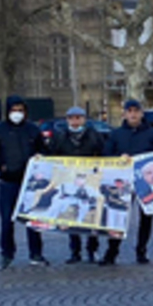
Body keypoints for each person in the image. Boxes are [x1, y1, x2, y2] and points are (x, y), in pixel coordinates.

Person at [0, 95, 47, 269]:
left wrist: (41, 159)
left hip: (30, 183)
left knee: (33, 220)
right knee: (6, 221)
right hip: (8, 181)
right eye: (14, 110)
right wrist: (0, 165)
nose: (17, 113)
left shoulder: (33, 130)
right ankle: (7, 253)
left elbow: (44, 150)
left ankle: (36, 253)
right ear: (7, 111)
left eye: (20, 110)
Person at [101, 99, 153, 265]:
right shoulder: (116, 134)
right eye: (130, 111)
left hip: (145, 182)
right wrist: (118, 159)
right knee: (118, 216)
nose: (133, 114)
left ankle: (142, 250)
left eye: (136, 111)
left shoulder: (152, 134)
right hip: (123, 182)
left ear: (142, 114)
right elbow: (106, 155)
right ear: (125, 114)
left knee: (147, 216)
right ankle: (112, 251)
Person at [46, 106, 106, 264]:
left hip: (90, 179)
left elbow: (104, 155)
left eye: (78, 118)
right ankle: (75, 251)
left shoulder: (94, 135)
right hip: (69, 179)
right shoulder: (60, 136)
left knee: (90, 214)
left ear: (84, 119)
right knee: (70, 213)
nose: (75, 121)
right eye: (72, 118)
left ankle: (92, 249)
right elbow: (51, 155)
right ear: (67, 120)